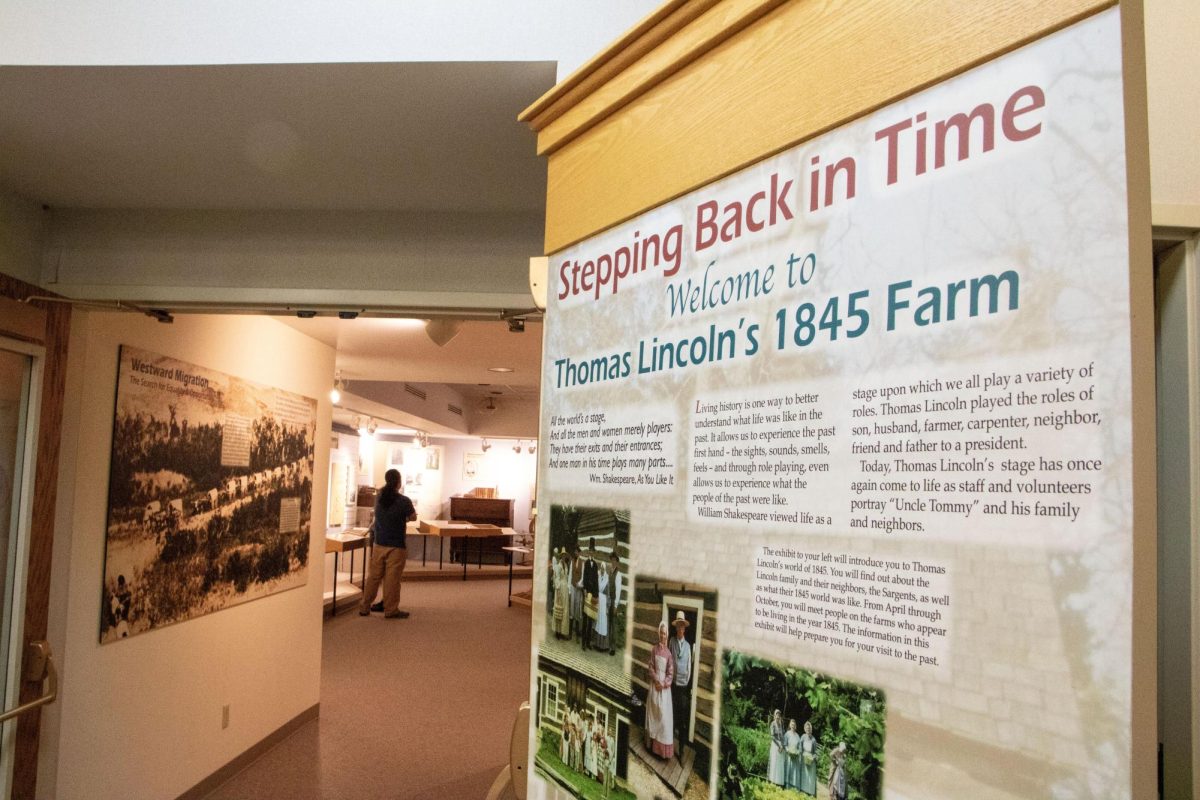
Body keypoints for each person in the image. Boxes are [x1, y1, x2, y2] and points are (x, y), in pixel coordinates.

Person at [359, 469, 416, 618]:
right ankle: (390, 609)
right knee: (392, 579)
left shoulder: (379, 497)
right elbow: (413, 517)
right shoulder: (404, 501)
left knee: (374, 577)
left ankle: (365, 606)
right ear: (398, 481)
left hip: (379, 543)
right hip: (396, 545)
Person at [644, 620, 675, 759]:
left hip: (663, 689)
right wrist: (656, 679)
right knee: (653, 714)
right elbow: (650, 666)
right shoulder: (654, 649)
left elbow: (670, 674)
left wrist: (663, 684)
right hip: (654, 685)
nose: (663, 636)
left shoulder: (668, 654)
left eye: (665, 634)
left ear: (667, 635)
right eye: (661, 633)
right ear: (659, 633)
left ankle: (660, 750)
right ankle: (651, 746)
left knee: (663, 718)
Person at [668, 610, 692, 755]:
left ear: (684, 628)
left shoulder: (688, 646)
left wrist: (685, 681)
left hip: (683, 687)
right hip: (673, 685)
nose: (680, 629)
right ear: (676, 627)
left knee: (683, 720)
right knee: (671, 716)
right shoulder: (671, 641)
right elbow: (669, 660)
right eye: (678, 626)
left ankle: (682, 750)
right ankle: (669, 747)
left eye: (682, 626)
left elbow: (689, 666)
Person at [581, 541, 600, 650]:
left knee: (591, 618)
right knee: (585, 617)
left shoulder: (596, 565)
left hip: (593, 593)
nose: (592, 553)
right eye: (590, 551)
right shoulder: (586, 563)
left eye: (593, 551)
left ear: (594, 553)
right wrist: (584, 589)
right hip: (587, 592)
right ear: (588, 552)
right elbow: (584, 577)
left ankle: (588, 642)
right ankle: (583, 643)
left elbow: (596, 581)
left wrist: (596, 595)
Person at [552, 549, 571, 639]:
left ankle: (563, 631)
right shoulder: (558, 566)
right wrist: (558, 589)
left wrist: (568, 589)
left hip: (565, 589)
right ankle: (557, 631)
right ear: (560, 556)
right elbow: (557, 578)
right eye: (562, 555)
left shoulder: (566, 565)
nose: (563, 557)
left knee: (564, 610)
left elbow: (567, 578)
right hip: (560, 589)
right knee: (558, 609)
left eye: (565, 556)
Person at [593, 556, 610, 651]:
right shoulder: (599, 576)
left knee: (603, 622)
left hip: (603, 602)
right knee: (597, 621)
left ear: (605, 569)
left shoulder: (607, 579)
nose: (602, 570)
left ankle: (602, 645)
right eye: (601, 568)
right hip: (598, 601)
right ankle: (596, 643)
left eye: (604, 569)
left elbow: (608, 594)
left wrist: (607, 606)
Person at [606, 551, 622, 655]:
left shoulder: (618, 574)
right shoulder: (610, 572)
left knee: (613, 625)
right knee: (609, 623)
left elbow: (618, 590)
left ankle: (613, 648)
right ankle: (609, 645)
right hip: (609, 601)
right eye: (611, 560)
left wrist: (615, 605)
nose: (613, 562)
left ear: (616, 561)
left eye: (614, 560)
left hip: (614, 601)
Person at [798, 719, 819, 796]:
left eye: (809, 728)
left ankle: (809, 792)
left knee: (810, 776)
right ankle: (802, 790)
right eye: (807, 728)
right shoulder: (803, 737)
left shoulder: (813, 740)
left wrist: (812, 758)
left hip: (810, 760)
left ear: (811, 729)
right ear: (805, 729)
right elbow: (800, 746)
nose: (808, 730)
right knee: (804, 775)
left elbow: (815, 752)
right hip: (803, 758)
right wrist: (801, 753)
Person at [767, 709, 786, 786]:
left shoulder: (781, 725)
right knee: (774, 762)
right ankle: (772, 780)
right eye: (776, 715)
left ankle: (778, 782)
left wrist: (782, 746)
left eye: (779, 715)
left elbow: (783, 736)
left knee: (780, 763)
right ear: (774, 716)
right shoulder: (772, 724)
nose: (778, 716)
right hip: (775, 745)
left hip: (781, 746)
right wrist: (778, 746)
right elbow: (772, 736)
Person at [784, 718, 802, 790]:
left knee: (794, 772)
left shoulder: (798, 736)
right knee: (788, 770)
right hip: (788, 755)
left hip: (795, 757)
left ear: (795, 726)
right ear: (790, 725)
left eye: (794, 725)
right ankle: (787, 787)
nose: (793, 726)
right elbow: (785, 745)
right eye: (792, 724)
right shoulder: (787, 734)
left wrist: (797, 752)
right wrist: (788, 751)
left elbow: (800, 747)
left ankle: (793, 787)